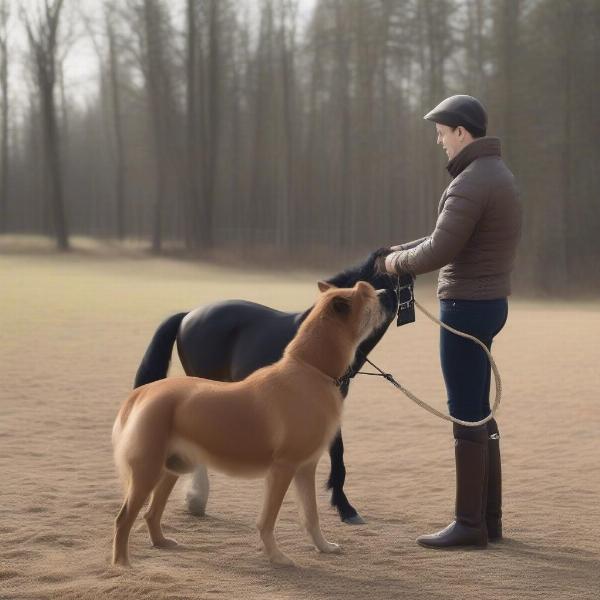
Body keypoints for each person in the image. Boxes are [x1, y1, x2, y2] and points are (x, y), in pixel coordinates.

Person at [384, 95, 522, 548]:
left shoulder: (469, 182)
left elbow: (441, 251)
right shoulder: (497, 175)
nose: (439, 141)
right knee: (479, 407)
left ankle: (469, 525)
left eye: (442, 133)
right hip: (489, 303)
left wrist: (392, 265)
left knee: (465, 410)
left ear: (461, 132)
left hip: (465, 305)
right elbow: (446, 236)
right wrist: (401, 249)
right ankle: (490, 521)